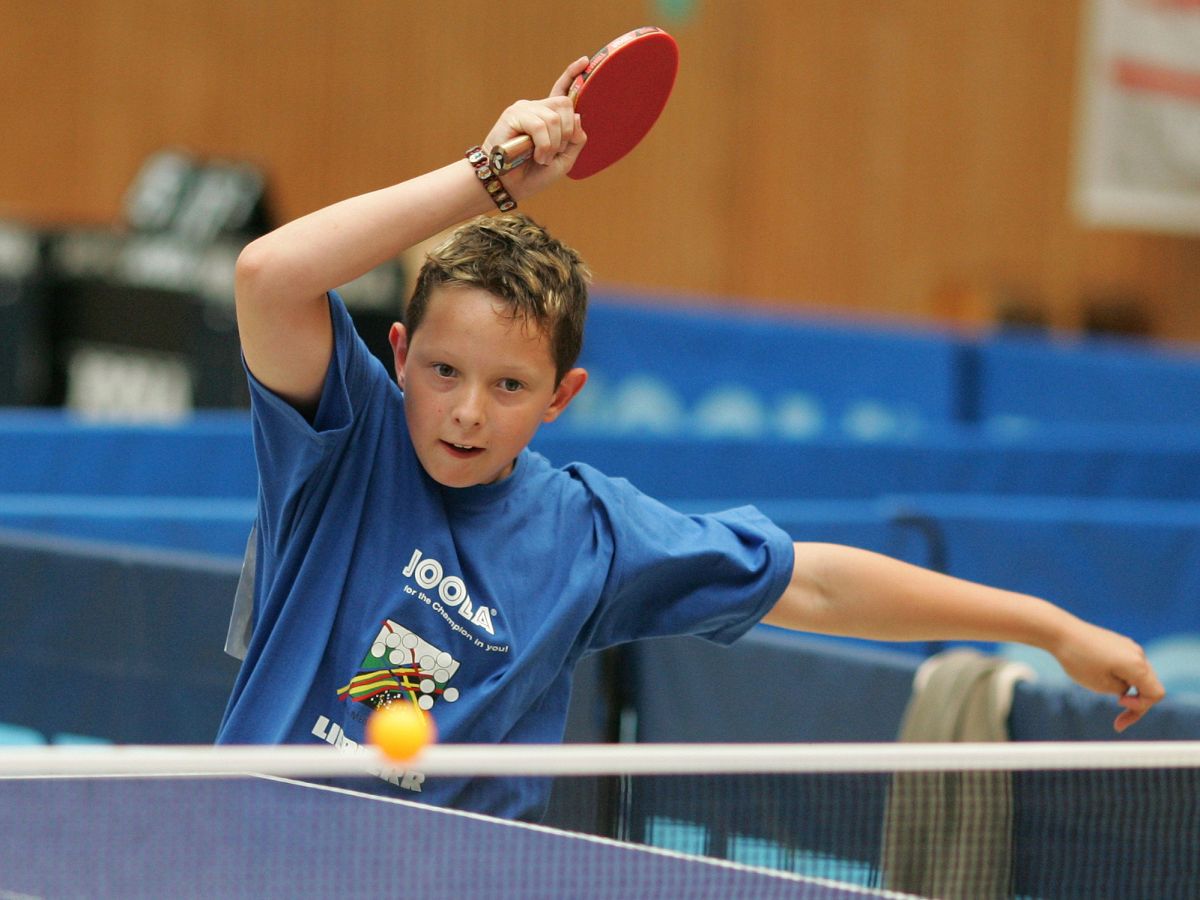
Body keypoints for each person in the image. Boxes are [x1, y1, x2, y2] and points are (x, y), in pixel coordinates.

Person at [218, 56, 1165, 821]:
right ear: (397, 354)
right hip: (244, 847)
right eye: (443, 373)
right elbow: (268, 274)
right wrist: (488, 175)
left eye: (509, 385)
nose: (468, 411)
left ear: (562, 397)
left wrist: (1051, 628)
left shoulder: (588, 535)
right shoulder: (343, 445)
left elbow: (821, 583)